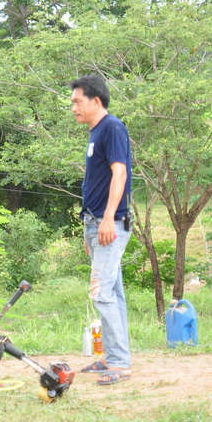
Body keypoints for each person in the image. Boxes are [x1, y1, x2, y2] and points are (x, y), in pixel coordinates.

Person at [71, 74, 133, 386]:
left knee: (101, 292)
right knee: (113, 293)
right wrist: (89, 229)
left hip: (111, 223)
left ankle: (120, 363)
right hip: (95, 224)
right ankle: (112, 357)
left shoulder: (112, 127)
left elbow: (119, 175)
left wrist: (108, 218)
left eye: (77, 101)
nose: (73, 108)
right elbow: (95, 183)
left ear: (96, 101)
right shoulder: (96, 132)